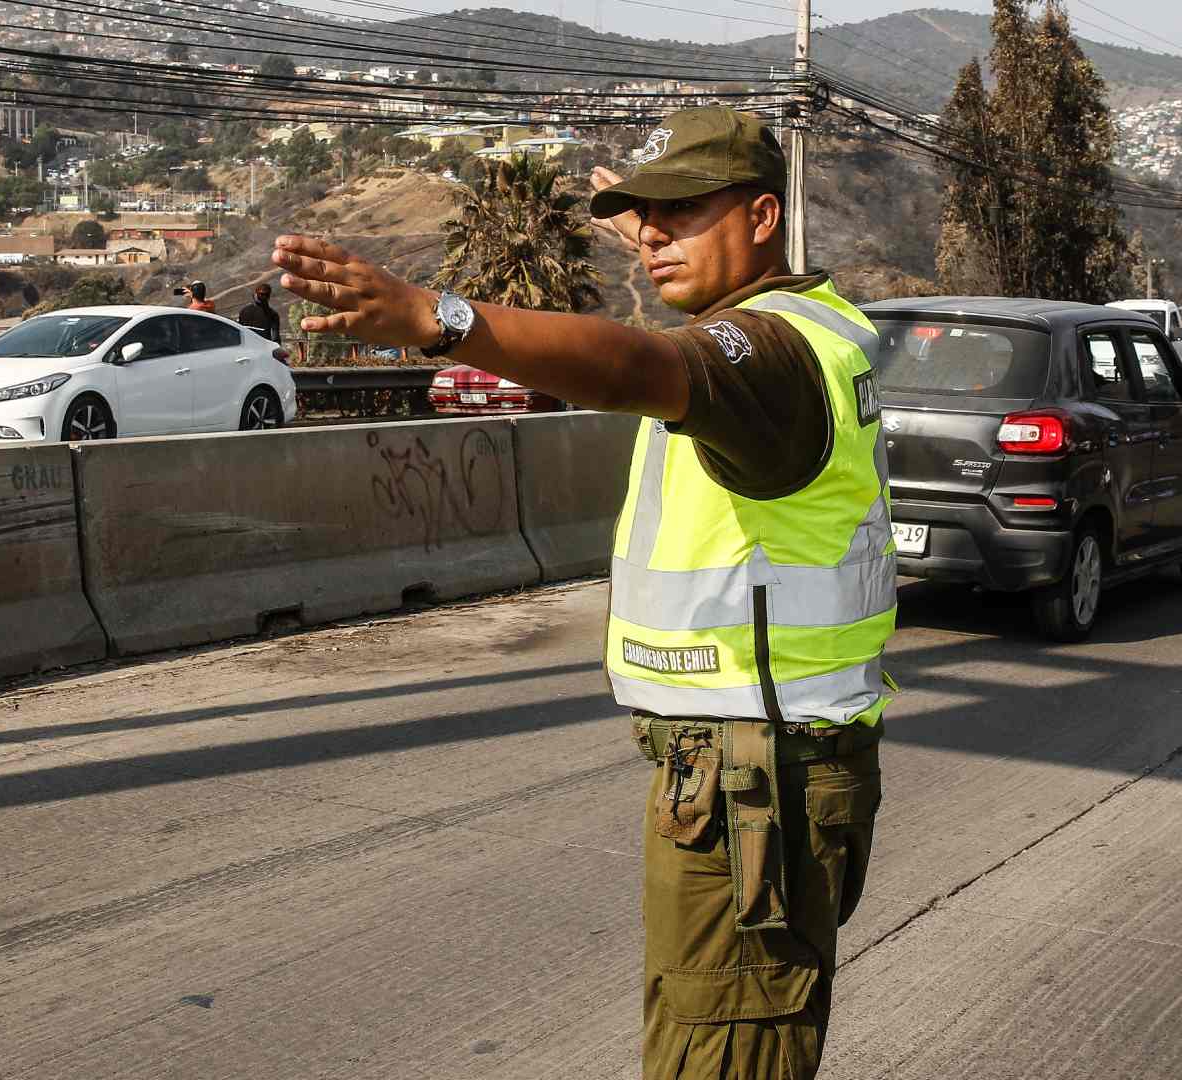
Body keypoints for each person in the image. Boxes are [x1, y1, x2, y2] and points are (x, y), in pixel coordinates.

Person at [271, 106, 893, 1080]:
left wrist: (445, 319)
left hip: (754, 786)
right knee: (698, 1040)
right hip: (738, 775)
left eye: (683, 210)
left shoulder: (767, 354)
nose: (649, 234)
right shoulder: (806, 334)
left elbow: (642, 364)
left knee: (718, 1056)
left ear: (764, 215)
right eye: (641, 215)